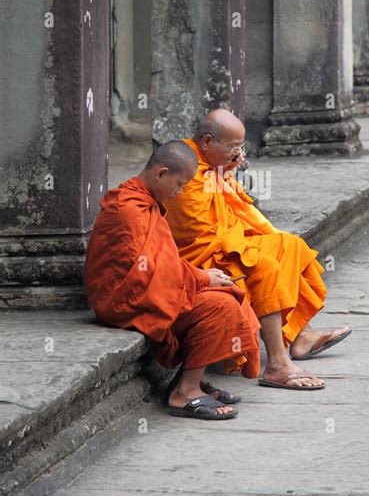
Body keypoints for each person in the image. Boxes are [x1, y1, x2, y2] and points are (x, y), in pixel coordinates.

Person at [164, 110, 352, 391]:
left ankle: (300, 335)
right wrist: (222, 173)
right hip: (199, 256)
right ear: (206, 142)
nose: (238, 153)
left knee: (290, 245)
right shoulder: (184, 166)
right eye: (233, 147)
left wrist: (225, 169)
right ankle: (277, 363)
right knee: (262, 265)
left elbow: (229, 206)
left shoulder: (209, 163)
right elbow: (197, 234)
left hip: (225, 242)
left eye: (241, 146)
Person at [84, 141, 261, 420]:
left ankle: (189, 380)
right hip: (122, 301)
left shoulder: (145, 201)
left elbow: (159, 262)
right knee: (222, 307)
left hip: (143, 290)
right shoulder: (128, 209)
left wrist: (201, 277)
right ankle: (183, 393)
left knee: (231, 294)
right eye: (179, 185)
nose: (179, 193)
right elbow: (143, 273)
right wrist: (201, 278)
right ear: (161, 173)